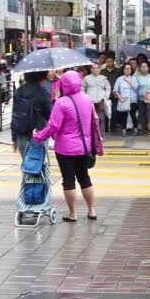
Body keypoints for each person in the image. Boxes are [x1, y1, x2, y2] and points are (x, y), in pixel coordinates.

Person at [33, 71, 104, 222]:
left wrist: (38, 135)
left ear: (64, 85)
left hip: (65, 149)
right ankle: (92, 211)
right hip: (84, 147)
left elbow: (53, 126)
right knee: (84, 178)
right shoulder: (87, 99)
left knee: (69, 180)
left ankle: (73, 213)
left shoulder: (62, 103)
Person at [11, 71, 52, 158]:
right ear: (41, 76)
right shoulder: (43, 92)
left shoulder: (18, 91)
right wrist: (55, 100)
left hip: (21, 134)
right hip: (38, 134)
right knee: (38, 165)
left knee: (27, 165)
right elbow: (49, 114)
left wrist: (14, 138)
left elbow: (14, 116)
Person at [82, 63, 111, 139]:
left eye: (97, 68)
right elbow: (82, 89)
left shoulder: (103, 78)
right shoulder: (86, 78)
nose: (96, 69)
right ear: (91, 69)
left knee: (101, 118)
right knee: (91, 118)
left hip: (101, 100)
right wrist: (85, 97)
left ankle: (101, 135)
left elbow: (108, 88)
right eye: (94, 68)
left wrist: (106, 96)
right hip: (90, 101)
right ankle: (92, 135)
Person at [113, 63, 139, 137]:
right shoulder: (119, 79)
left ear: (131, 70)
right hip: (123, 99)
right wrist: (120, 97)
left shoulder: (134, 78)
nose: (127, 70)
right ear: (123, 70)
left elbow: (136, 87)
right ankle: (124, 130)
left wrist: (128, 81)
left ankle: (135, 129)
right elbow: (115, 90)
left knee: (133, 115)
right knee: (124, 115)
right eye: (126, 68)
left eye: (129, 69)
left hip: (132, 99)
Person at [101, 56, 122, 132]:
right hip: (106, 94)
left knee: (114, 111)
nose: (109, 62)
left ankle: (113, 127)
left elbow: (120, 81)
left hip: (115, 93)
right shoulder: (102, 71)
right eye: (107, 61)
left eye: (110, 61)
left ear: (113, 62)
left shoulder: (118, 71)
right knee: (105, 110)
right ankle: (105, 127)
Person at [136, 61, 150, 135]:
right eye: (142, 67)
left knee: (149, 113)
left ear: (148, 68)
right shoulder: (137, 77)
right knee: (141, 113)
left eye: (145, 66)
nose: (144, 68)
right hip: (140, 98)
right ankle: (140, 128)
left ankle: (149, 128)